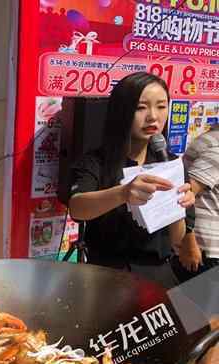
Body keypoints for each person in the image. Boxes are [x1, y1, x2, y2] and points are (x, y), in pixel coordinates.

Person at [68, 72, 195, 289]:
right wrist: (123, 193)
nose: (153, 117)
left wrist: (178, 207)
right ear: (122, 111)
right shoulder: (96, 161)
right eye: (141, 107)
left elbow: (177, 239)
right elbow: (77, 208)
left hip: (159, 276)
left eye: (161, 106)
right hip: (108, 277)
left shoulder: (172, 162)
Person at [171, 125, 219, 282]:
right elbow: (183, 195)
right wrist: (188, 242)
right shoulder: (216, 147)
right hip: (204, 250)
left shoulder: (210, 138)